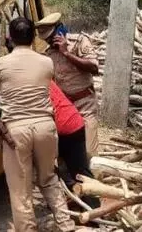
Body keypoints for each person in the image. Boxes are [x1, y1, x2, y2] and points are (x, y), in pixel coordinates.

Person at [0, 17, 75, 232]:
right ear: (33, 36)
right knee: (48, 179)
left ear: (10, 38)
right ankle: (66, 224)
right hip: (46, 126)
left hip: (16, 130)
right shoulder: (46, 62)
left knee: (20, 188)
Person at [36, 12, 100, 158]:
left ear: (60, 30)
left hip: (85, 105)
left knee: (89, 152)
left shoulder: (79, 42)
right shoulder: (48, 54)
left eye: (51, 38)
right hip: (65, 108)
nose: (50, 43)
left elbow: (94, 68)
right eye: (47, 40)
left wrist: (67, 53)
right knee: (65, 153)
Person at [49, 80, 100, 209]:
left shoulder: (26, 83)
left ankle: (92, 210)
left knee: (53, 170)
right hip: (74, 122)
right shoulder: (43, 73)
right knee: (80, 170)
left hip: (62, 127)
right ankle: (93, 209)